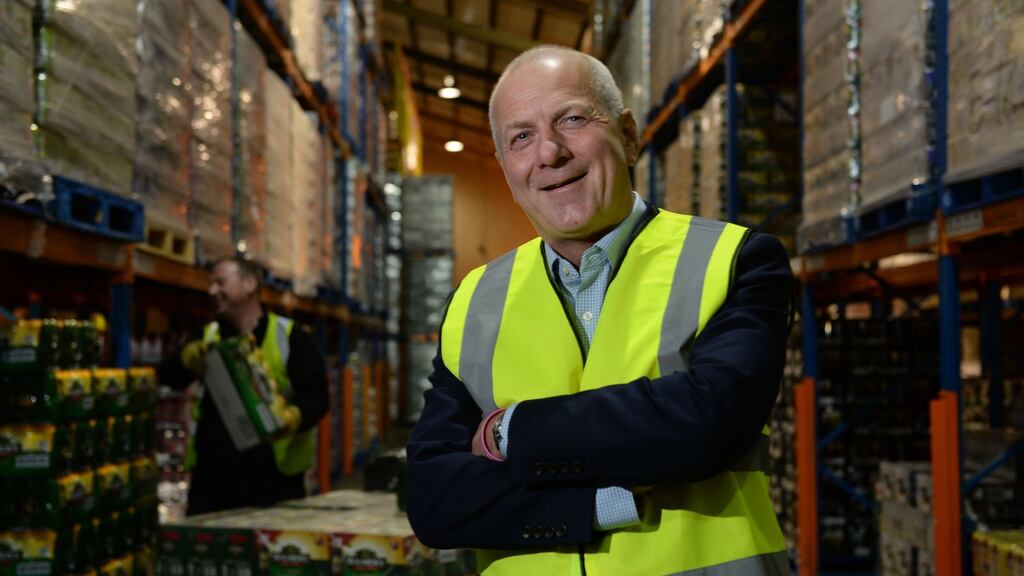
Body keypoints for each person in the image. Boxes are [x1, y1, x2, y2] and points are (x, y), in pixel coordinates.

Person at [405, 45, 793, 575]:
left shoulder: (733, 260)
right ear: (505, 170)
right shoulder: (473, 301)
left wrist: (507, 433)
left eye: (572, 119)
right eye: (521, 137)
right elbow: (434, 501)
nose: (549, 152)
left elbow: (708, 423)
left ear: (628, 136)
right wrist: (601, 504)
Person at [159, 256, 328, 515]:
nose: (212, 291)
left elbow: (318, 399)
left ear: (250, 284)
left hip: (274, 483)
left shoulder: (289, 337)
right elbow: (168, 376)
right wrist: (186, 357)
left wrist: (293, 418)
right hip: (213, 481)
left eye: (220, 282)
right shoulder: (207, 337)